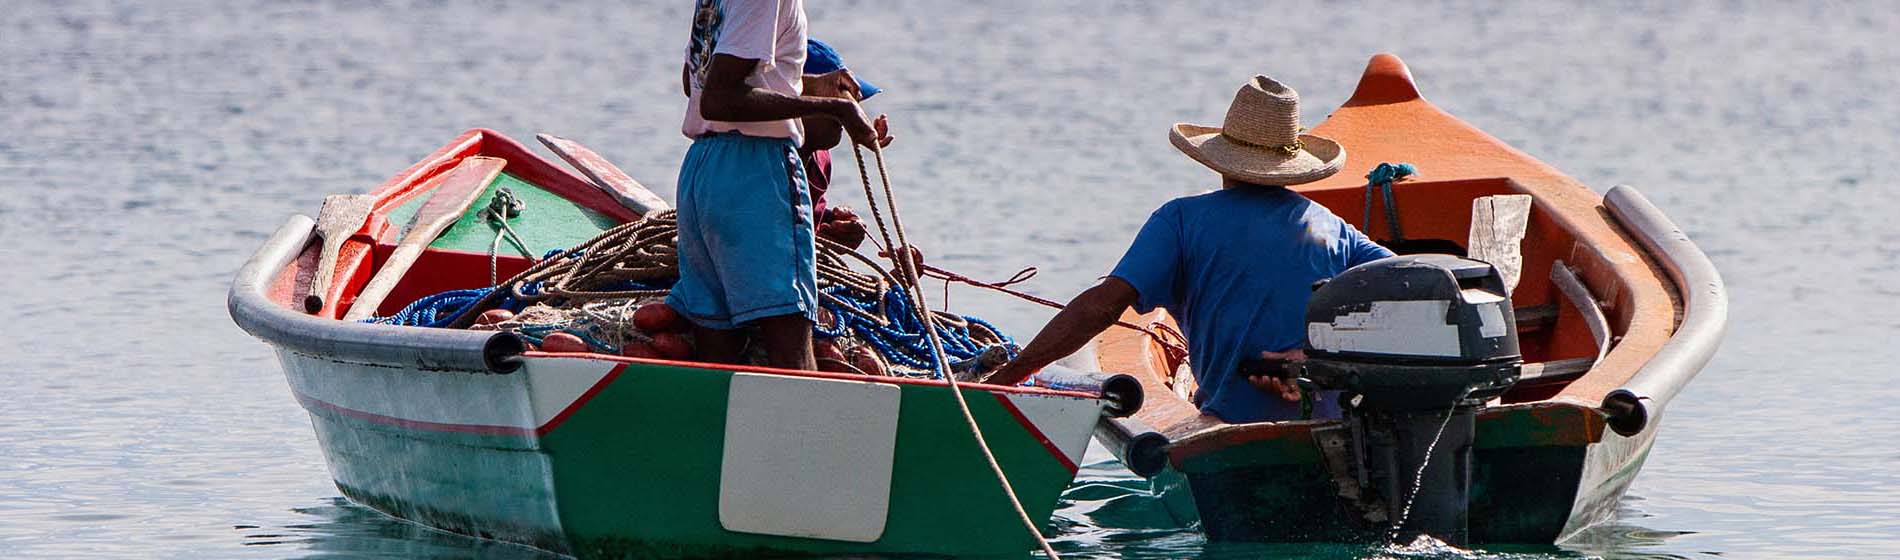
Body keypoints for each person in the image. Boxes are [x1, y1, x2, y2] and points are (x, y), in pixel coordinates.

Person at [986, 76, 1394, 423]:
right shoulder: (1331, 227)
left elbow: (1102, 307)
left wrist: (1012, 373)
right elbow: (1413, 285)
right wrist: (1311, 355)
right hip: (1334, 421)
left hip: (1232, 420)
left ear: (1220, 157)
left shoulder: (1181, 221)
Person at [672, 0, 891, 371]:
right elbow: (720, 98)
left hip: (703, 169)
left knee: (716, 345)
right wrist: (837, 109)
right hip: (756, 171)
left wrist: (811, 89)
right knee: (790, 342)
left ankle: (715, 426)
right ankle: (809, 430)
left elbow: (693, 82)